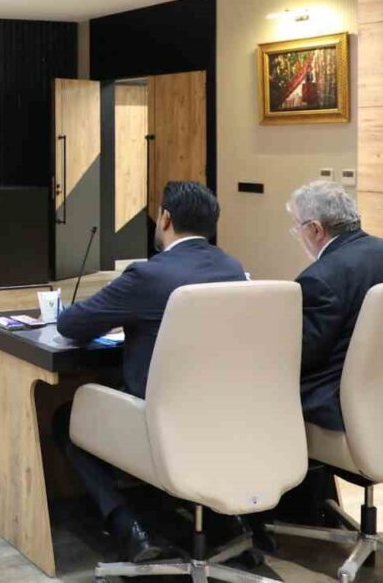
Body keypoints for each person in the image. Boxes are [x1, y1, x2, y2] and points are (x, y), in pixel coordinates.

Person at [55, 181, 246, 562]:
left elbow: (72, 325)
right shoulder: (234, 269)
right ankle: (226, 523)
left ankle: (130, 529)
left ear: (166, 219)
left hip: (160, 420)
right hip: (222, 415)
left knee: (67, 418)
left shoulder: (148, 276)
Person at [288, 180, 383, 431]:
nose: (298, 235)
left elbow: (299, 357)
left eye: (298, 227)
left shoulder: (319, 279)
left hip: (337, 403)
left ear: (316, 229)